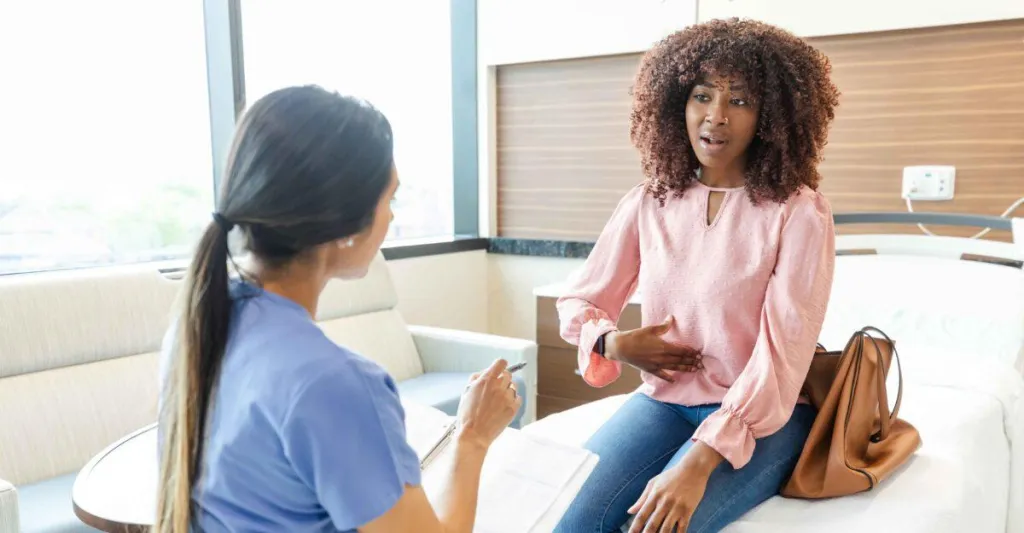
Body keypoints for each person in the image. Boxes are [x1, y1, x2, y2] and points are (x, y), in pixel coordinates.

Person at [156, 85, 521, 533]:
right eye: (390, 200)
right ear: (346, 222)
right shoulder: (335, 383)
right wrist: (473, 435)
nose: (391, 218)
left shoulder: (198, 324)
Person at [552, 18, 841, 533]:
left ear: (771, 118)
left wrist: (698, 459)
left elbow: (783, 354)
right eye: (702, 96)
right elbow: (578, 301)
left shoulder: (797, 212)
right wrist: (613, 344)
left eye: (741, 101)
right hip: (665, 403)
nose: (716, 117)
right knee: (569, 519)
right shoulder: (649, 201)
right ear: (675, 105)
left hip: (762, 419)